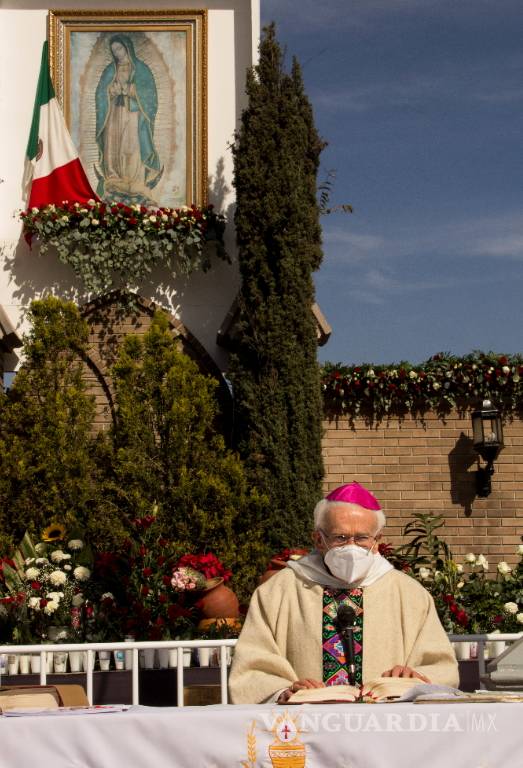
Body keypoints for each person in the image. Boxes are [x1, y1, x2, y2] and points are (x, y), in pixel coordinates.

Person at [229, 482, 459, 704]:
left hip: (386, 728)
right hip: (307, 728)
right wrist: (284, 690)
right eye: (340, 537)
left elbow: (442, 667)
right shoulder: (278, 592)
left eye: (361, 538)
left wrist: (413, 677)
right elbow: (251, 667)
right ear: (318, 540)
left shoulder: (409, 594)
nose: (351, 546)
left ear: (377, 541)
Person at [95, 34, 163, 204]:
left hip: (133, 114)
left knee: (131, 145)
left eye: (119, 48)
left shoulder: (141, 69)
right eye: (114, 51)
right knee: (113, 146)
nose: (117, 53)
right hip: (114, 114)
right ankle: (114, 179)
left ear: (127, 48)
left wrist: (129, 90)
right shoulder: (110, 71)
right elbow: (100, 94)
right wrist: (111, 91)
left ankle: (134, 182)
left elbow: (150, 95)